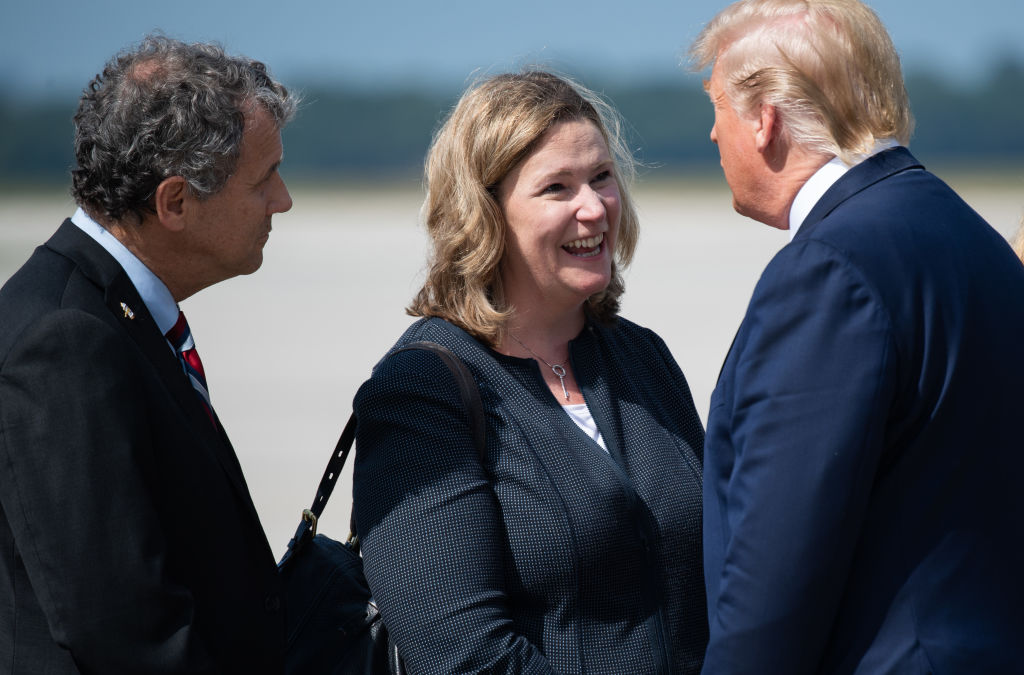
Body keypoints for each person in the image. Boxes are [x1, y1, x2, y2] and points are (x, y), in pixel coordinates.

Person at [689, 1, 1024, 673]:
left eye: (718, 107)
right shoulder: (976, 240)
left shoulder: (830, 269)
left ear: (765, 120)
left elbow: (778, 565)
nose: (710, 135)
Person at [351, 71, 708, 674]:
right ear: (485, 215)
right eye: (557, 188)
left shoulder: (642, 357)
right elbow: (463, 656)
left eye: (601, 177)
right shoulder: (422, 391)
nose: (594, 208)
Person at [0, 36, 295, 673]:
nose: (283, 201)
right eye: (265, 179)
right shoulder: (64, 340)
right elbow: (121, 627)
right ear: (176, 203)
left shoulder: (105, 312)